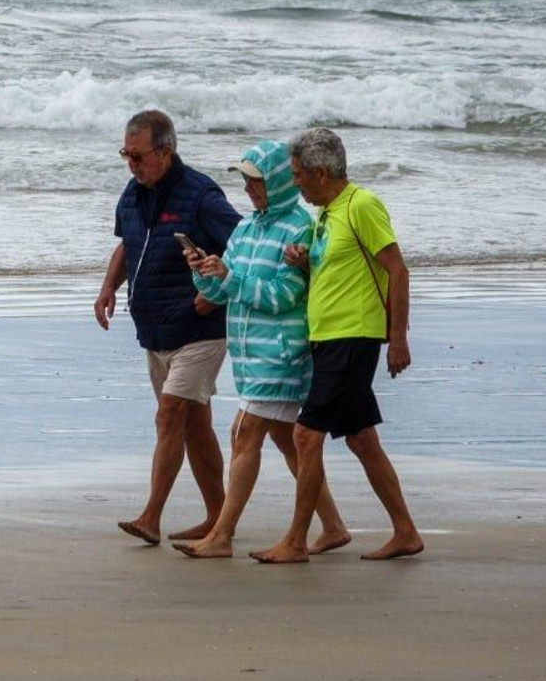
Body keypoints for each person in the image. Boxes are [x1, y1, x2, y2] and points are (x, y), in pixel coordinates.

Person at [173, 139, 351, 561]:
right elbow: (222, 290)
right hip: (249, 355)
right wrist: (204, 273)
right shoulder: (246, 227)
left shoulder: (300, 228)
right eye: (246, 182)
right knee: (289, 444)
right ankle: (333, 525)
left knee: (243, 433)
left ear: (278, 181)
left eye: (257, 181)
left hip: (283, 353)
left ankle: (222, 535)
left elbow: (286, 295)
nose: (250, 190)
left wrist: (230, 281)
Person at [273, 127, 424, 561]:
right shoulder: (325, 213)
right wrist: (304, 265)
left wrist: (398, 338)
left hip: (353, 337)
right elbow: (334, 276)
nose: (296, 182)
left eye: (299, 174)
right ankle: (406, 531)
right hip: (328, 339)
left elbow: (397, 270)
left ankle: (297, 541)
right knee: (361, 440)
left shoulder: (362, 206)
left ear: (322, 173)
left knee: (305, 435)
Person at [94, 110, 242, 546]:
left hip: (199, 329)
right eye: (126, 154)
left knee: (169, 414)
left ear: (165, 151)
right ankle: (219, 518)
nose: (131, 164)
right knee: (194, 426)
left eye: (138, 156)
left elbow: (245, 244)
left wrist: (216, 292)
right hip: (155, 332)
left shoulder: (201, 196)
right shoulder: (134, 191)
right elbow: (128, 244)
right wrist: (107, 288)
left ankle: (151, 517)